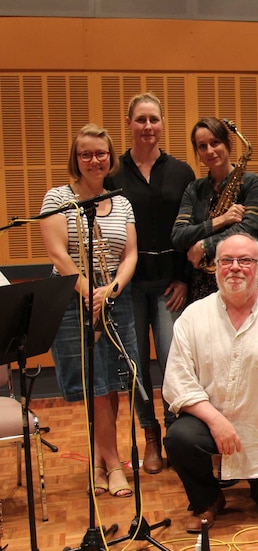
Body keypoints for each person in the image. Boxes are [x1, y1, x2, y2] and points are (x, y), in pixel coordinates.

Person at [162, 232, 258, 533]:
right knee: (179, 437)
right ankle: (207, 499)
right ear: (216, 267)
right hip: (211, 428)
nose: (235, 267)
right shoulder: (193, 316)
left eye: (245, 261)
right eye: (227, 261)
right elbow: (177, 382)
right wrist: (215, 421)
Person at [39, 123, 139, 498]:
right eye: (86, 154)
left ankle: (100, 461)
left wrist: (110, 290)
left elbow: (130, 254)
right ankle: (113, 463)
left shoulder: (122, 201)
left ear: (110, 158)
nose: (94, 160)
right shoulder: (57, 197)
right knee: (92, 382)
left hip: (114, 294)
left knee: (112, 381)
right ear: (76, 159)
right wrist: (89, 291)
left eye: (101, 153)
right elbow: (57, 253)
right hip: (71, 294)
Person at [106, 92, 196, 474]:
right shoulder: (112, 175)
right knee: (136, 366)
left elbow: (190, 230)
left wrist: (184, 279)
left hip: (167, 285)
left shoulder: (181, 172)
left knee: (173, 362)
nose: (147, 126)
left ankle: (176, 434)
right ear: (129, 124)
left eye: (154, 119)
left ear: (162, 125)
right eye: (140, 119)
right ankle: (151, 438)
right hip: (128, 288)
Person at [171, 117, 258, 303]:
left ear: (228, 143)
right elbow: (178, 236)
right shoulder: (194, 189)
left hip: (241, 281)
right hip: (200, 287)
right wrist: (220, 221)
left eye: (215, 142)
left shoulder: (252, 183)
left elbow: (250, 229)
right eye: (202, 146)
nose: (210, 151)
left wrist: (205, 246)